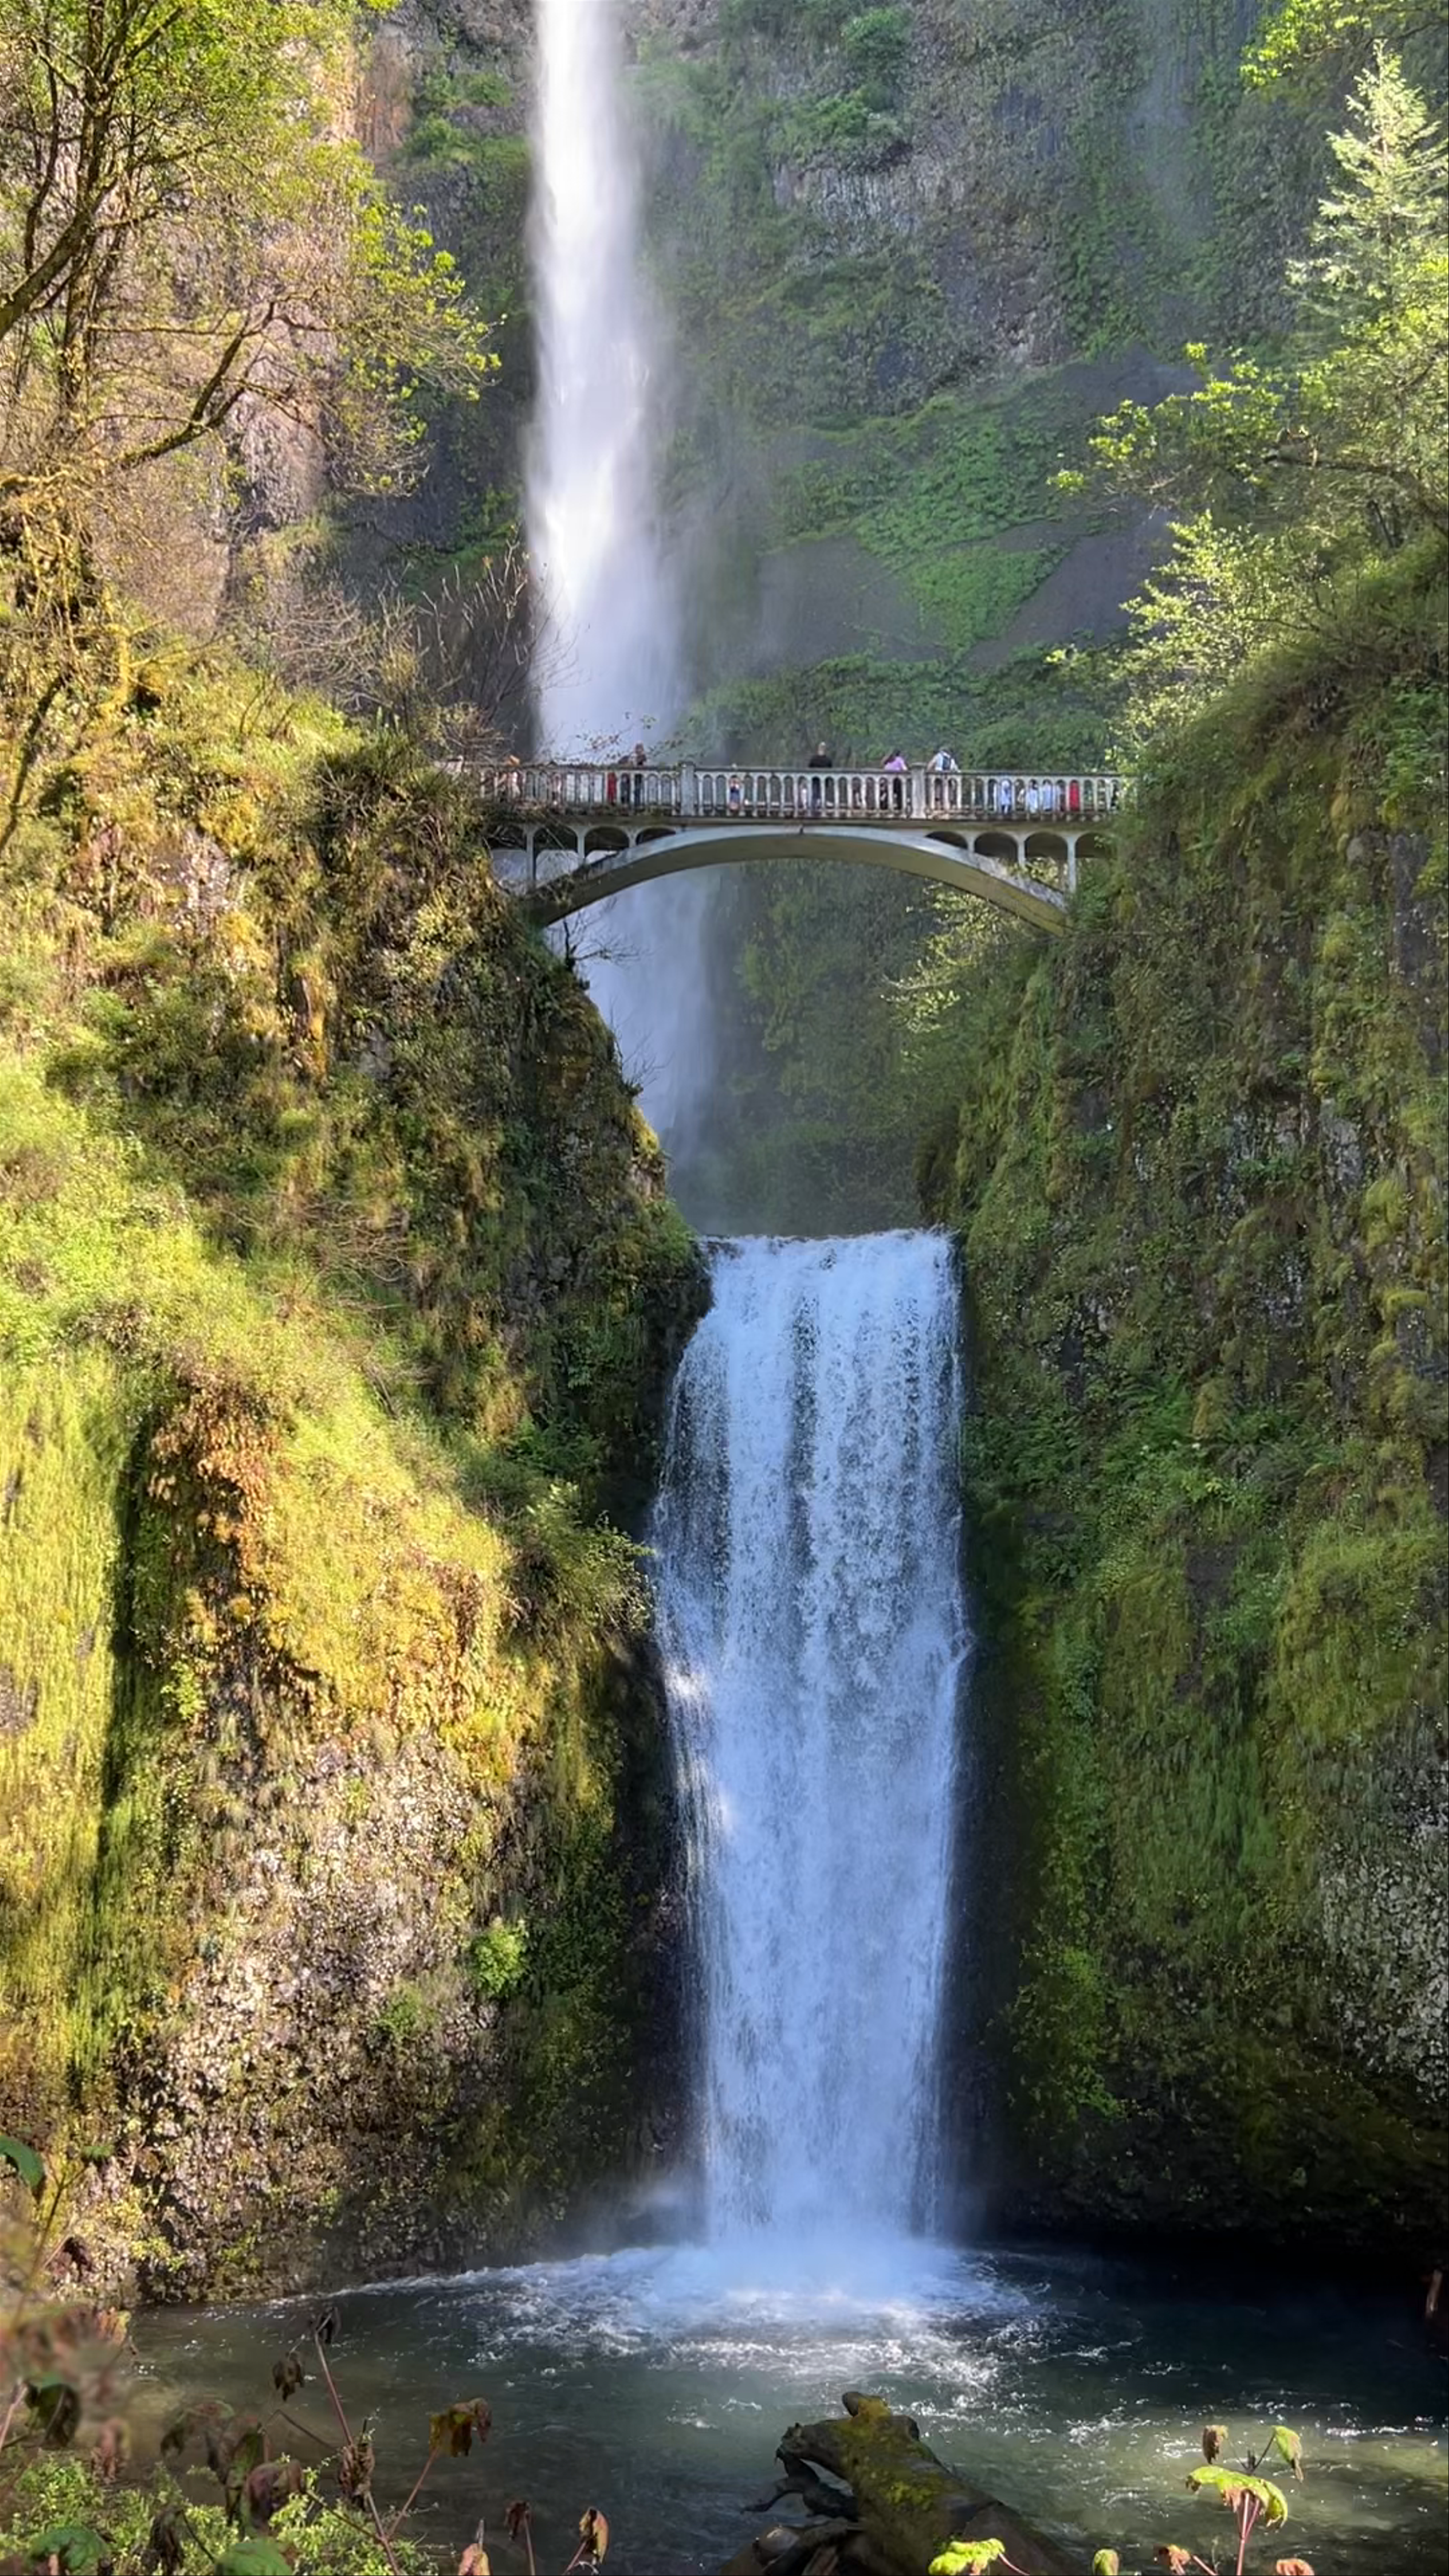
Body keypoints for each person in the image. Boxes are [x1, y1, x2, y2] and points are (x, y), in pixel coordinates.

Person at [807, 740, 833, 815]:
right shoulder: (814, 759)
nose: (822, 749)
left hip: (823, 782)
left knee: (821, 796)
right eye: (822, 747)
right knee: (815, 796)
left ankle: (820, 810)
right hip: (815, 781)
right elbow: (809, 770)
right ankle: (814, 810)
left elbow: (830, 771)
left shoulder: (828, 760)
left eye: (823, 747)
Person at [882, 747, 908, 813]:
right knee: (900, 794)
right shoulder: (899, 760)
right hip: (897, 780)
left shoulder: (887, 763)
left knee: (889, 793)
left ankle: (885, 805)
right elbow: (905, 769)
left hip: (888, 781)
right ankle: (900, 806)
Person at [629, 741, 648, 809]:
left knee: (638, 790)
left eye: (640, 749)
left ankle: (637, 805)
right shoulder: (633, 756)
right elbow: (631, 764)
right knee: (632, 790)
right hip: (632, 776)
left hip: (639, 776)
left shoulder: (643, 757)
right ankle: (632, 804)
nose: (638, 750)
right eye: (637, 748)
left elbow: (645, 765)